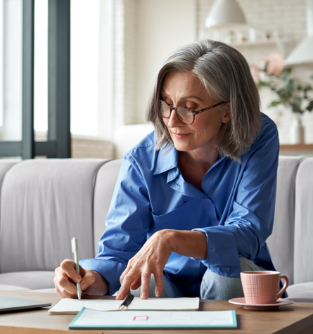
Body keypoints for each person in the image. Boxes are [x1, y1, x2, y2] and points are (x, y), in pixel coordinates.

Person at [54, 39, 280, 301]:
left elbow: (249, 231)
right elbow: (119, 252)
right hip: (168, 282)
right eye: (166, 104)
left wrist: (172, 239)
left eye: (189, 108)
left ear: (227, 111)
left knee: (225, 273)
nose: (172, 121)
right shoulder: (141, 160)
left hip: (233, 278)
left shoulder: (258, 136)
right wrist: (90, 280)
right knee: (142, 283)